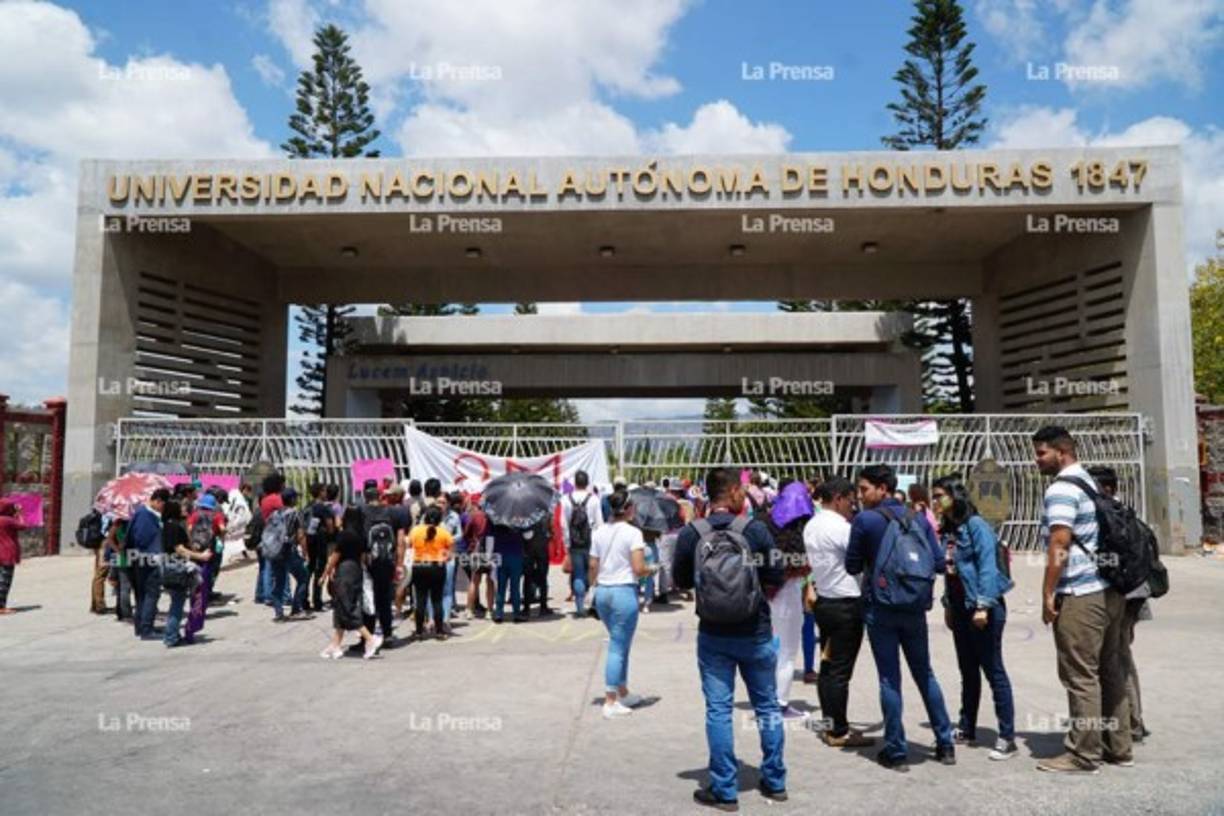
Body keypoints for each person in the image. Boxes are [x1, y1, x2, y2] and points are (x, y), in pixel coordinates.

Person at [673, 467, 787, 810]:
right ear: (733, 493)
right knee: (767, 706)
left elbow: (681, 580)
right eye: (742, 490)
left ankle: (725, 789)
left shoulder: (693, 533)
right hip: (756, 631)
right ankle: (775, 781)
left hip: (713, 634)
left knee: (719, 710)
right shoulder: (754, 530)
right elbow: (776, 572)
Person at [1032, 426, 1132, 773]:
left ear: (1062, 451)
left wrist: (1048, 593)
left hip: (1080, 594)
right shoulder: (1089, 481)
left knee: (1080, 676)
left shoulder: (1061, 488)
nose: (1037, 459)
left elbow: (1059, 543)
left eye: (1042, 452)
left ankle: (1083, 753)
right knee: (1110, 670)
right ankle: (1118, 747)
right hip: (1109, 590)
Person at [846, 463, 955, 769]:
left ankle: (896, 751)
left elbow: (852, 566)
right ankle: (945, 744)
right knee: (925, 674)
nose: (860, 494)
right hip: (914, 608)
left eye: (865, 488)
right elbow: (936, 563)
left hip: (880, 608)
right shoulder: (917, 518)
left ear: (883, 489)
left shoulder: (865, 520)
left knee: (889, 679)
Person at [932, 475, 1017, 761]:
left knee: (993, 671)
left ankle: (1007, 736)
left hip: (983, 608)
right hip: (959, 608)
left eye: (940, 495)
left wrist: (983, 605)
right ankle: (967, 726)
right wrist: (947, 605)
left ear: (956, 497)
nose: (936, 501)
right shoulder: (949, 530)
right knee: (967, 671)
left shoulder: (977, 526)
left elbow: (987, 568)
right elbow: (950, 572)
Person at [803, 477, 874, 748]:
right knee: (840, 671)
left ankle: (830, 723)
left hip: (825, 601)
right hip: (846, 604)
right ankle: (839, 731)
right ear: (839, 498)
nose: (853, 506)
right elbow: (862, 555)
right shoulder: (841, 528)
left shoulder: (812, 525)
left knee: (828, 666)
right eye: (851, 500)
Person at [1087, 465, 1151, 744]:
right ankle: (1130, 721)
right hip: (1132, 594)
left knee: (1118, 659)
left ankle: (1131, 724)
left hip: (1125, 595)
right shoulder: (1122, 513)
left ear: (1109, 489)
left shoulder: (1113, 515)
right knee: (1120, 657)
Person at [589, 490, 652, 718]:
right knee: (618, 645)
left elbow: (593, 565)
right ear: (626, 509)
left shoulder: (598, 532)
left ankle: (622, 691)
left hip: (603, 591)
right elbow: (638, 568)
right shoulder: (633, 533)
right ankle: (610, 700)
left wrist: (592, 586)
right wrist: (651, 569)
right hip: (623, 591)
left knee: (621, 642)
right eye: (632, 505)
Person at [762, 481, 814, 718]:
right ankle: (780, 703)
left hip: (765, 594)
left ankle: (765, 698)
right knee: (788, 650)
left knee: (771, 648)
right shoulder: (802, 530)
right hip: (789, 593)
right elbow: (803, 566)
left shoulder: (763, 523)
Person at [319, 506, 383, 659]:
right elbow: (363, 557)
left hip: (345, 571)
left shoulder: (344, 535)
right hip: (356, 570)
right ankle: (335, 644)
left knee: (347, 605)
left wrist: (324, 575)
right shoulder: (362, 535)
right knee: (342, 605)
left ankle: (370, 638)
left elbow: (334, 557)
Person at [162, 499, 214, 647]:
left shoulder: (170, 525)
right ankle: (171, 636)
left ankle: (172, 634)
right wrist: (200, 556)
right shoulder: (173, 527)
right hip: (176, 568)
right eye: (181, 507)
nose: (184, 509)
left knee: (176, 602)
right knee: (177, 604)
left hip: (170, 566)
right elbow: (179, 549)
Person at [362, 484, 409, 643]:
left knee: (368, 598)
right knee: (384, 599)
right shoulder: (393, 512)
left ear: (365, 498)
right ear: (380, 497)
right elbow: (401, 540)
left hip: (368, 563)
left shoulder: (361, 512)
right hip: (388, 562)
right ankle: (387, 634)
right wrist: (400, 563)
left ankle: (367, 638)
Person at [183, 493, 226, 642]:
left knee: (193, 584)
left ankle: (193, 608)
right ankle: (197, 616)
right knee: (204, 585)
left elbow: (188, 529)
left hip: (194, 554)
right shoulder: (217, 515)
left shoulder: (194, 515)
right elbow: (222, 528)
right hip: (209, 555)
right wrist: (221, 537)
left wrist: (191, 545)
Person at [128, 488, 169, 639]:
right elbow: (142, 539)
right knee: (151, 594)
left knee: (143, 595)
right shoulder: (145, 515)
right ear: (158, 501)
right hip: (146, 560)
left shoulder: (144, 514)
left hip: (141, 559)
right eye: (163, 505)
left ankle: (141, 626)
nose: (163, 509)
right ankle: (146, 629)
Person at [409, 505, 454, 640]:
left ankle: (418, 632)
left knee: (420, 599)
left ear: (425, 517)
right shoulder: (444, 533)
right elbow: (450, 555)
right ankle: (439, 631)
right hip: (437, 568)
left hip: (419, 567)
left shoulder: (416, 531)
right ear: (440, 519)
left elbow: (409, 545)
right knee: (437, 600)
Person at [563, 469, 603, 618]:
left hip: (575, 544)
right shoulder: (593, 499)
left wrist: (567, 544)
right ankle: (594, 604)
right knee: (594, 574)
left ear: (575, 483)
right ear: (587, 483)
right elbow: (599, 524)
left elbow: (564, 525)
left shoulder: (566, 499)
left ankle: (580, 607)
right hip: (591, 542)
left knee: (578, 574)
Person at [269, 488, 312, 623]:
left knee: (279, 583)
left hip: (275, 551)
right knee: (303, 577)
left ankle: (279, 613)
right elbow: (300, 535)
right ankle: (296, 608)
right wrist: (306, 553)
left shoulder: (274, 514)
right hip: (289, 551)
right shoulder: (295, 514)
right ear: (292, 499)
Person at [304, 483, 336, 613]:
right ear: (320, 492)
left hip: (309, 540)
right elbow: (330, 525)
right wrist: (331, 535)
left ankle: (304, 600)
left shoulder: (308, 506)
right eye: (324, 491)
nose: (326, 493)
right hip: (320, 541)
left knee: (309, 570)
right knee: (320, 571)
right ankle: (317, 601)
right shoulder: (323, 508)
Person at [462, 494, 494, 619]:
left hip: (476, 550)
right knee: (490, 581)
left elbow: (466, 533)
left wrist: (472, 543)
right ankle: (490, 611)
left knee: (474, 581)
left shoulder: (474, 516)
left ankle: (470, 610)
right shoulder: (495, 517)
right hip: (491, 551)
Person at [491, 523, 527, 624]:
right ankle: (516, 614)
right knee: (515, 587)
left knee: (501, 587)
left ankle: (499, 614)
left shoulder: (496, 520)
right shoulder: (520, 521)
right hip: (516, 555)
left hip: (500, 555)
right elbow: (528, 535)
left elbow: (490, 536)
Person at [522, 513, 554, 618]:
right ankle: (543, 606)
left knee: (527, 577)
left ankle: (526, 607)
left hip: (528, 549)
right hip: (542, 548)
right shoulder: (546, 513)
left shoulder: (525, 514)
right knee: (543, 577)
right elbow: (551, 531)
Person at [103, 515, 133, 621]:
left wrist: (117, 550)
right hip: (132, 556)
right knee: (126, 587)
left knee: (122, 587)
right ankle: (126, 612)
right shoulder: (133, 523)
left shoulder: (117, 523)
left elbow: (109, 539)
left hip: (121, 557)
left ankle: (121, 611)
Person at [0, 498, 26, 613]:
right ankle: (1, 606)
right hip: (7, 553)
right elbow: (23, 526)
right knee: (5, 581)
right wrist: (19, 513)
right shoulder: (7, 520)